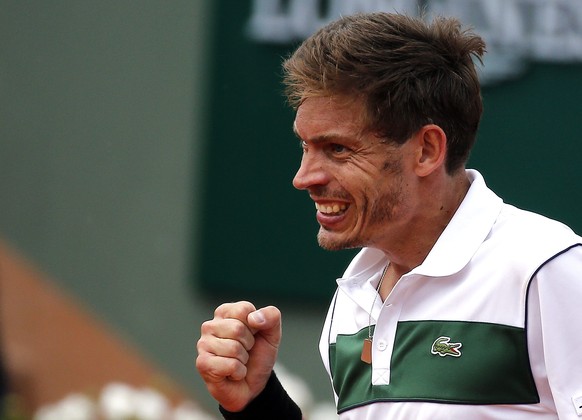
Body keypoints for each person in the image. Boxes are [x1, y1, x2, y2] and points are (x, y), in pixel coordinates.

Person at [196, 12, 582, 419]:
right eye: (305, 147)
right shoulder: (353, 299)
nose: (303, 177)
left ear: (427, 150)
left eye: (338, 149)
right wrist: (258, 404)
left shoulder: (546, 269)